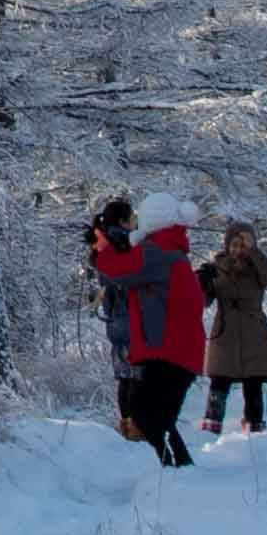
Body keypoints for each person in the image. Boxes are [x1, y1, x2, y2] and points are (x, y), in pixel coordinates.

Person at [88, 197, 206, 468]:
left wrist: (104, 248)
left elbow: (118, 269)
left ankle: (178, 469)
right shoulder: (169, 250)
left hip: (167, 351)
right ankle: (178, 468)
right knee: (158, 416)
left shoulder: (157, 252)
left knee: (146, 414)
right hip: (176, 349)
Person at [198, 221, 267, 435]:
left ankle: (254, 426)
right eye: (234, 245)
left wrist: (254, 251)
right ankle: (211, 427)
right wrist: (201, 283)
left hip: (254, 332)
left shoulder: (258, 268)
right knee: (219, 381)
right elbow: (203, 301)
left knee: (253, 383)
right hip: (225, 333)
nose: (238, 250)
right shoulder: (217, 268)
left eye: (243, 246)